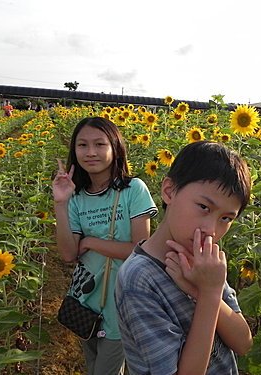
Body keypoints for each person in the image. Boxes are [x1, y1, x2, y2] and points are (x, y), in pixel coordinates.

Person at [115, 140, 253, 375]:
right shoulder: (139, 279)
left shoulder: (206, 263)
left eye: (226, 218)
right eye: (203, 207)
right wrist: (209, 294)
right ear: (169, 191)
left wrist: (203, 291)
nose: (211, 229)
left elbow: (243, 343)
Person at [52, 116, 158, 375]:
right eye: (82, 145)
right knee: (92, 364)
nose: (90, 152)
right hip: (86, 298)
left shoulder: (134, 190)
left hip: (123, 299)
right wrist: (61, 204)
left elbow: (141, 250)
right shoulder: (76, 197)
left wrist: (90, 242)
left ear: (115, 147)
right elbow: (67, 253)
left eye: (100, 144)